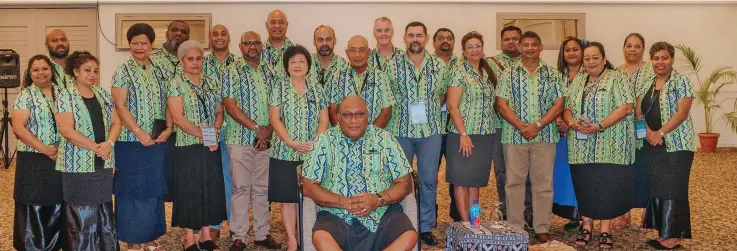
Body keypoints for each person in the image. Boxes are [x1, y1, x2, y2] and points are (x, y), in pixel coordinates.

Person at [302, 95, 418, 251]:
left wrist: (378, 199)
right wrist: (343, 202)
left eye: (359, 114)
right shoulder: (323, 142)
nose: (353, 120)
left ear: (367, 116)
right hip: (336, 213)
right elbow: (309, 186)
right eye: (347, 114)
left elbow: (404, 183)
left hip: (382, 212)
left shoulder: (385, 139)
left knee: (409, 236)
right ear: (337, 117)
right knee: (321, 238)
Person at [562, 42, 635, 249]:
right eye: (587, 58)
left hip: (610, 145)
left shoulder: (617, 77)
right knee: (585, 185)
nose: (591, 62)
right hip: (580, 146)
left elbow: (625, 107)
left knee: (607, 186)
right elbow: (567, 107)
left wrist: (600, 126)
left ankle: (605, 230)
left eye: (595, 57)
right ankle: (586, 226)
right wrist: (571, 123)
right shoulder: (578, 81)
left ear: (604, 59)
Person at [495, 31, 564, 243]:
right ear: (520, 47)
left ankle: (542, 227)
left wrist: (538, 125)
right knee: (514, 183)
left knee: (543, 184)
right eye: (526, 45)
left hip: (545, 136)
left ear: (541, 47)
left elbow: (559, 104)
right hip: (514, 137)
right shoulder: (507, 74)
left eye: (534, 44)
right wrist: (522, 127)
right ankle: (516, 227)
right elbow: (501, 104)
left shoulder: (553, 74)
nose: (530, 48)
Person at [385, 21, 448, 246]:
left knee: (429, 180)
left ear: (426, 38)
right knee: (400, 181)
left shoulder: (439, 66)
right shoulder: (392, 65)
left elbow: (442, 94)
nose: (415, 39)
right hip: (400, 130)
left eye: (419, 35)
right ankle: (402, 225)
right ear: (404, 38)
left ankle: (425, 226)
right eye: (410, 35)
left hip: (430, 131)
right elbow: (388, 97)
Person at [110, 23, 171, 251]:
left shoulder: (161, 71)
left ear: (151, 45)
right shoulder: (122, 71)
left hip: (156, 141)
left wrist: (169, 128)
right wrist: (138, 131)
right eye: (134, 43)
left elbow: (168, 102)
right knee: (130, 189)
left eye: (143, 42)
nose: (139, 47)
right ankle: (132, 239)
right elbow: (120, 105)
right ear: (129, 45)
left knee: (152, 188)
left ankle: (149, 236)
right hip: (130, 141)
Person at [55, 51, 122, 250]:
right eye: (87, 70)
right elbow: (67, 130)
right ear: (75, 71)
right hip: (77, 164)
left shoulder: (102, 94)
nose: (92, 74)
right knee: (81, 214)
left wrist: (109, 143)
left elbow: (116, 122)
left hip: (103, 161)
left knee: (102, 210)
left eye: (95, 71)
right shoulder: (65, 96)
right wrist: (95, 148)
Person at [222, 30, 281, 251]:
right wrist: (258, 129)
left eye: (256, 42)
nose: (252, 46)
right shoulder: (231, 71)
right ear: (240, 46)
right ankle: (239, 236)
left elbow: (277, 106)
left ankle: (262, 234)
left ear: (262, 46)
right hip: (239, 139)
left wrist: (268, 133)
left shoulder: (271, 72)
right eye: (247, 43)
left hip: (266, 140)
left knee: (262, 190)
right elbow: (230, 105)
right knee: (240, 188)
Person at [167, 40, 227, 251]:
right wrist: (202, 135)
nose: (195, 62)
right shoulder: (176, 83)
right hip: (188, 145)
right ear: (182, 60)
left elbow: (220, 112)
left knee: (209, 188)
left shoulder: (211, 81)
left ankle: (205, 235)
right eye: (190, 59)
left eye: (199, 58)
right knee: (190, 189)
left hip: (210, 144)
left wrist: (214, 131)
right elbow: (177, 117)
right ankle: (188, 238)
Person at [269, 45, 330, 251]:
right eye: (292, 61)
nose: (297, 65)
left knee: (310, 196)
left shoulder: (317, 89)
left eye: (301, 61)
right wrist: (290, 142)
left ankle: (306, 235)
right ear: (286, 66)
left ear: (308, 65)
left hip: (311, 153)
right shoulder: (279, 87)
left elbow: (324, 119)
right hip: (284, 151)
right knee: (287, 198)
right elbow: (274, 119)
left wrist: (316, 141)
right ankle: (292, 239)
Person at [638, 41, 696, 250]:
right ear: (651, 60)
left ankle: (674, 236)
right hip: (651, 144)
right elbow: (638, 112)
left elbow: (682, 112)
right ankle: (664, 232)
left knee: (674, 187)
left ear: (672, 60)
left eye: (665, 58)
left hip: (677, 144)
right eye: (656, 58)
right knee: (659, 186)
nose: (660, 62)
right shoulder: (646, 83)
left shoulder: (682, 81)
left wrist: (660, 133)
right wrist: (648, 134)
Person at [11, 55, 63, 251]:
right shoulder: (26, 95)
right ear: (29, 73)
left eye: (44, 68)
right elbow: (18, 128)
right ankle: (33, 246)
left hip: (60, 156)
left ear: (51, 70)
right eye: (35, 69)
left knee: (56, 200)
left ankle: (55, 244)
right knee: (34, 202)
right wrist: (45, 149)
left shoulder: (63, 92)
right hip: (34, 158)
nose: (41, 72)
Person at [445, 31, 498, 222]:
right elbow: (452, 106)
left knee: (475, 182)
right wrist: (464, 134)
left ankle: (475, 222)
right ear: (464, 51)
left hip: (485, 135)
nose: (475, 50)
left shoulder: (488, 71)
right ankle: (466, 223)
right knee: (461, 181)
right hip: (462, 135)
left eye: (478, 46)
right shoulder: (459, 71)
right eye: (470, 47)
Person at [486, 25, 533, 224]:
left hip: (527, 126)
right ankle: (506, 210)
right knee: (502, 171)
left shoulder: (532, 63)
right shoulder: (490, 64)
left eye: (515, 38)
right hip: (499, 125)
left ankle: (530, 212)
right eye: (507, 39)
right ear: (501, 41)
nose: (511, 42)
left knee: (529, 172)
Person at [612, 32, 652, 230]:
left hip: (646, 127)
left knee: (646, 169)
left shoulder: (652, 70)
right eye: (629, 45)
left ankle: (648, 212)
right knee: (623, 172)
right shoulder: (616, 72)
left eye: (637, 46)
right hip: (620, 129)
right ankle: (624, 213)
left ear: (643, 49)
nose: (633, 49)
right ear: (624, 49)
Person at [150, 20, 190, 203]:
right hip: (160, 125)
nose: (179, 34)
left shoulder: (192, 59)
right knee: (159, 174)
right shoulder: (152, 57)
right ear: (167, 32)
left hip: (187, 125)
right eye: (175, 30)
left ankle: (187, 217)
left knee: (184, 174)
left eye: (183, 31)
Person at [202, 23, 236, 240]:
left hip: (235, 131)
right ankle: (212, 226)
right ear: (209, 39)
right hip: (208, 129)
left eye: (223, 33)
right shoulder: (201, 63)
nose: (220, 37)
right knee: (210, 179)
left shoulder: (239, 64)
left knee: (231, 179)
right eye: (215, 34)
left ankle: (235, 225)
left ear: (229, 37)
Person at [552, 36, 585, 231]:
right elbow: (552, 101)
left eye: (575, 49)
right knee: (564, 174)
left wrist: (572, 123)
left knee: (581, 173)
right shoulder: (557, 75)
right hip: (561, 134)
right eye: (567, 50)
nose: (571, 53)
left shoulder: (590, 74)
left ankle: (585, 215)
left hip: (583, 131)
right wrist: (558, 120)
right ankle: (572, 215)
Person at [327, 35, 393, 128]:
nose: (357, 55)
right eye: (353, 50)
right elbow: (332, 111)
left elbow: (386, 112)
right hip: (342, 138)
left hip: (374, 138)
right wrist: (344, 135)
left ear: (369, 52)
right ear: (346, 53)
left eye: (362, 50)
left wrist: (369, 135)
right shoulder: (336, 77)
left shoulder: (381, 77)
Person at [432, 27, 461, 222]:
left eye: (449, 38)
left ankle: (457, 214)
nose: (445, 41)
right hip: (433, 128)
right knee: (429, 173)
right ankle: (429, 216)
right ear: (433, 42)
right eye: (441, 38)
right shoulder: (427, 64)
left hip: (455, 128)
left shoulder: (462, 64)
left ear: (453, 42)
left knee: (457, 172)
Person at [262, 9, 293, 79]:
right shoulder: (258, 52)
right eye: (273, 22)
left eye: (281, 22)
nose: (277, 26)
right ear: (267, 25)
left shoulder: (297, 52)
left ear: (287, 25)